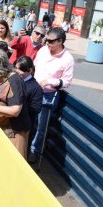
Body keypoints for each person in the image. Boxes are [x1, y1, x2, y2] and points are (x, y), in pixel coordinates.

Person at [28, 27, 75, 163]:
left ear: (60, 41)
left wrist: (49, 81)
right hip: (33, 91)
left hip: (48, 96)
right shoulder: (43, 50)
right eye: (46, 40)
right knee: (29, 120)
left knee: (41, 126)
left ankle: (34, 151)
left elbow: (66, 82)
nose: (46, 43)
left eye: (50, 41)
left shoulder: (68, 59)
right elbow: (35, 66)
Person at [14, 56, 43, 147]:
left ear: (30, 70)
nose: (17, 72)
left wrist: (20, 106)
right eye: (16, 68)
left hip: (23, 127)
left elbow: (36, 108)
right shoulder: (15, 79)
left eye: (21, 70)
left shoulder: (36, 88)